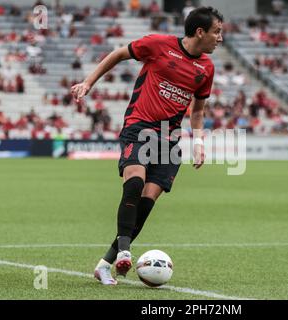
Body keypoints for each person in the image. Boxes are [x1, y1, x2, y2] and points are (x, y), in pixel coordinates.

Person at [71, 7, 223, 285]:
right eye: (217, 32)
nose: (220, 38)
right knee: (133, 184)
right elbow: (118, 54)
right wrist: (88, 82)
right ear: (200, 32)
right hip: (139, 126)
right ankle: (125, 251)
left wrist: (199, 142)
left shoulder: (207, 68)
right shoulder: (158, 45)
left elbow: (198, 110)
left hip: (169, 137)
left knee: (146, 201)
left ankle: (105, 264)